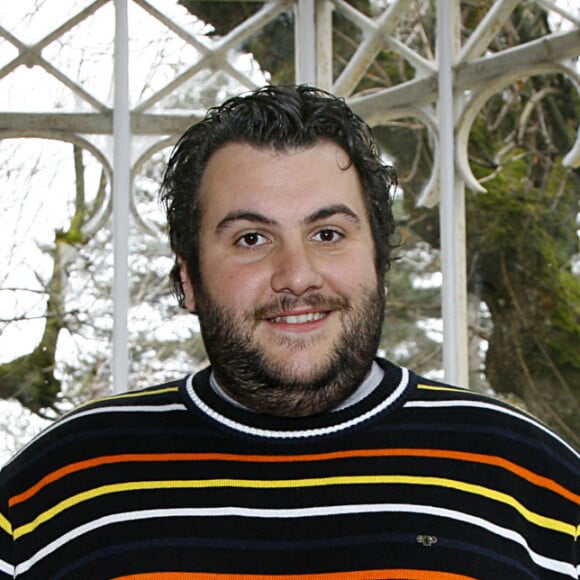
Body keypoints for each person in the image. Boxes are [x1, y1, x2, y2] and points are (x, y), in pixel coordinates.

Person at [0, 85, 578, 579]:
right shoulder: (55, 488)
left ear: (378, 257)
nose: (297, 276)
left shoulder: (530, 479)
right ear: (190, 278)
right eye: (251, 238)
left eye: (327, 233)